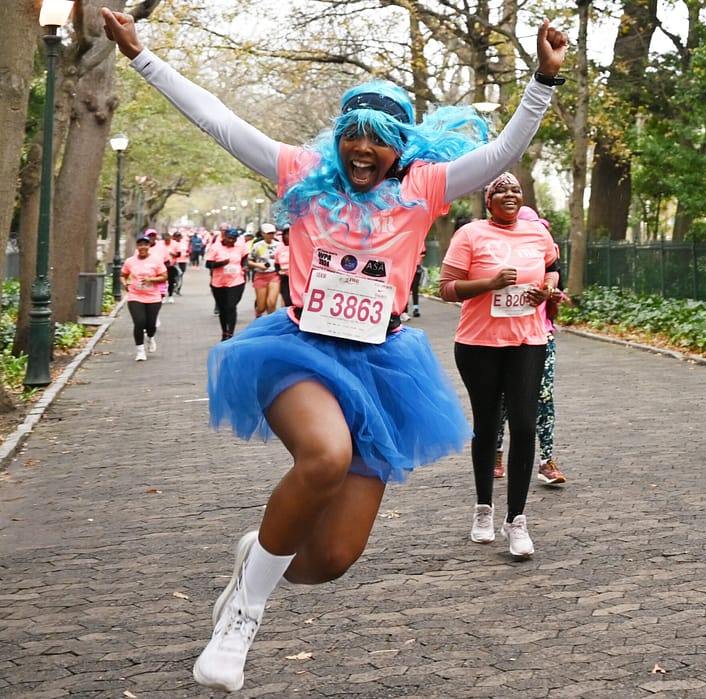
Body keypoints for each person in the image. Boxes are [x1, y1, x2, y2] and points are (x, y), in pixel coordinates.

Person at [102, 7, 567, 692]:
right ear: (338, 137)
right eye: (352, 134)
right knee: (325, 454)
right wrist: (141, 55)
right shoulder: (299, 171)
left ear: (400, 147)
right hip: (297, 353)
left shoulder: (423, 189)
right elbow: (220, 121)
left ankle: (257, 556)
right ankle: (243, 614)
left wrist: (543, 79)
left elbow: (500, 153)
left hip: (382, 367)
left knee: (330, 559)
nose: (361, 148)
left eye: (378, 140)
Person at [439, 172, 560, 558]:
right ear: (488, 200)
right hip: (478, 344)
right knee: (488, 426)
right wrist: (488, 284)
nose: (510, 194)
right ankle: (483, 509)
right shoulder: (470, 234)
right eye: (501, 190)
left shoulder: (537, 234)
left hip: (527, 340)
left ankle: (517, 520)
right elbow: (445, 288)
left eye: (515, 190)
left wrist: (548, 288)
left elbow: (553, 267)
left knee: (524, 425)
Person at [494, 205, 567, 485]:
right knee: (502, 400)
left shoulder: (545, 260)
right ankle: (497, 453)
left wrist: (551, 295)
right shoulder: (499, 256)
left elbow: (551, 289)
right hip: (502, 338)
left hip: (541, 337)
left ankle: (547, 460)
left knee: (544, 398)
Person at [120, 234, 168, 361]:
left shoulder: (156, 260)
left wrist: (151, 279)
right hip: (135, 295)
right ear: (137, 246)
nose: (143, 247)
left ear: (149, 246)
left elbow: (164, 276)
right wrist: (125, 284)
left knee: (151, 325)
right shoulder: (130, 261)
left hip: (153, 297)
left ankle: (151, 337)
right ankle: (140, 351)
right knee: (139, 322)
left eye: (145, 244)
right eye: (140, 245)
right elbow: (123, 275)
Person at [205, 228, 248, 341]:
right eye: (229, 238)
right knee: (223, 309)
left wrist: (245, 266)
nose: (231, 240)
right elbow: (208, 264)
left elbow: (245, 258)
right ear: (224, 237)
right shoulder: (215, 247)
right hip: (219, 282)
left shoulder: (240, 247)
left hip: (236, 281)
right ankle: (224, 331)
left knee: (231, 306)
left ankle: (231, 333)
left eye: (233, 239)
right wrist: (221, 263)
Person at [248, 223, 282, 318]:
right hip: (260, 276)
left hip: (274, 275)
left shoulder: (279, 245)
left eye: (272, 233)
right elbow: (249, 261)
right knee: (261, 307)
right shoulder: (257, 246)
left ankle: (270, 323)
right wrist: (258, 265)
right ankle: (258, 315)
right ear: (263, 233)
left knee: (271, 303)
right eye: (268, 233)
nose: (270, 235)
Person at [275, 226, 292, 308]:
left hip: (298, 278)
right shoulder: (280, 248)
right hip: (285, 278)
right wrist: (279, 272)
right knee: (287, 300)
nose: (289, 236)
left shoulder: (299, 246)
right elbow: (276, 263)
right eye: (287, 234)